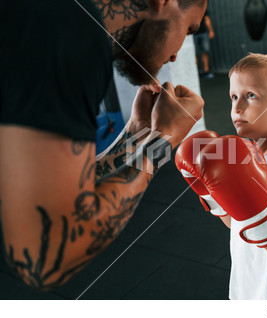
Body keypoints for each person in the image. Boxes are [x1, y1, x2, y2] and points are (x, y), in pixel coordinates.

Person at [0, 0, 207, 290]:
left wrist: (137, 134)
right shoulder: (64, 31)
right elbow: (45, 258)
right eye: (188, 29)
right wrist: (164, 140)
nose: (174, 55)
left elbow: (59, 186)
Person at [176, 53, 267, 299]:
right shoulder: (237, 158)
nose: (237, 107)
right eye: (233, 97)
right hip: (243, 285)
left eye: (251, 96)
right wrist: (207, 191)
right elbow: (234, 222)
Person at [194, 10, 215, 78]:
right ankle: (195, 73)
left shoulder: (202, 7)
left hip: (203, 33)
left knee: (205, 52)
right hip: (193, 34)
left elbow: (207, 19)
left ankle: (206, 71)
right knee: (194, 54)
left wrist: (211, 30)